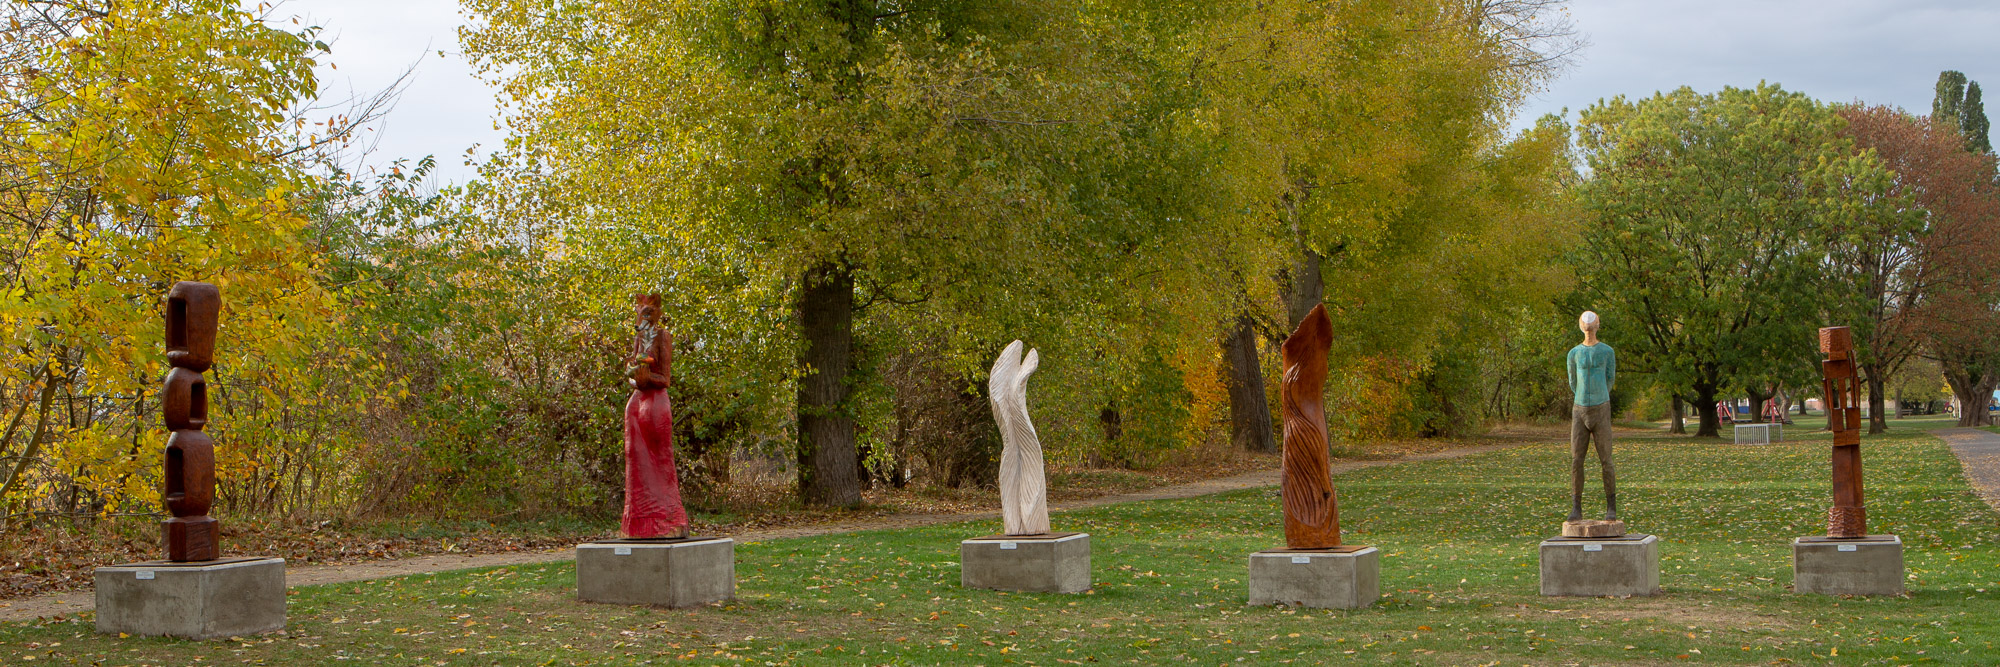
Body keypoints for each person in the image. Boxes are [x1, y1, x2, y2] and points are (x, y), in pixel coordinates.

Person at [1566, 311, 1617, 523]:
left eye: (1591, 322)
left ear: (1598, 325)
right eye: (1585, 323)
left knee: (1606, 460)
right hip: (1579, 410)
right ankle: (1576, 507)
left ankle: (1611, 506)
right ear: (1580, 326)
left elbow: (1610, 378)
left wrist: (1600, 397)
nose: (1588, 326)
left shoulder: (1607, 352)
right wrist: (1582, 398)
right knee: (1577, 460)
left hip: (1601, 408)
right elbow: (1572, 381)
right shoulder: (1574, 353)